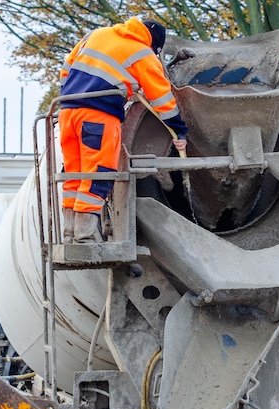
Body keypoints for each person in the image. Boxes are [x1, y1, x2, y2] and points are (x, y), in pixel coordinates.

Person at [59, 18, 189, 243]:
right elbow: (162, 100)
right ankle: (85, 235)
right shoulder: (143, 54)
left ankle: (69, 232)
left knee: (74, 172)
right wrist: (179, 131)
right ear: (154, 45)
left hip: (67, 110)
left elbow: (65, 70)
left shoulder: (98, 34)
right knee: (99, 171)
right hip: (98, 117)